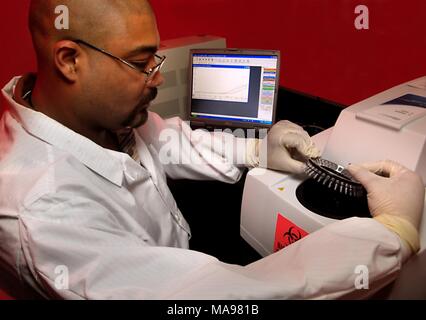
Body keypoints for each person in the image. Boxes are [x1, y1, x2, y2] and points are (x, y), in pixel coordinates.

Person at [0, 0, 423, 300]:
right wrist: (393, 232)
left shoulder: (101, 117)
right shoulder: (44, 211)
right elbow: (226, 296)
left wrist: (259, 152)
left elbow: (170, 142)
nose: (157, 78)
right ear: (70, 60)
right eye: (141, 62)